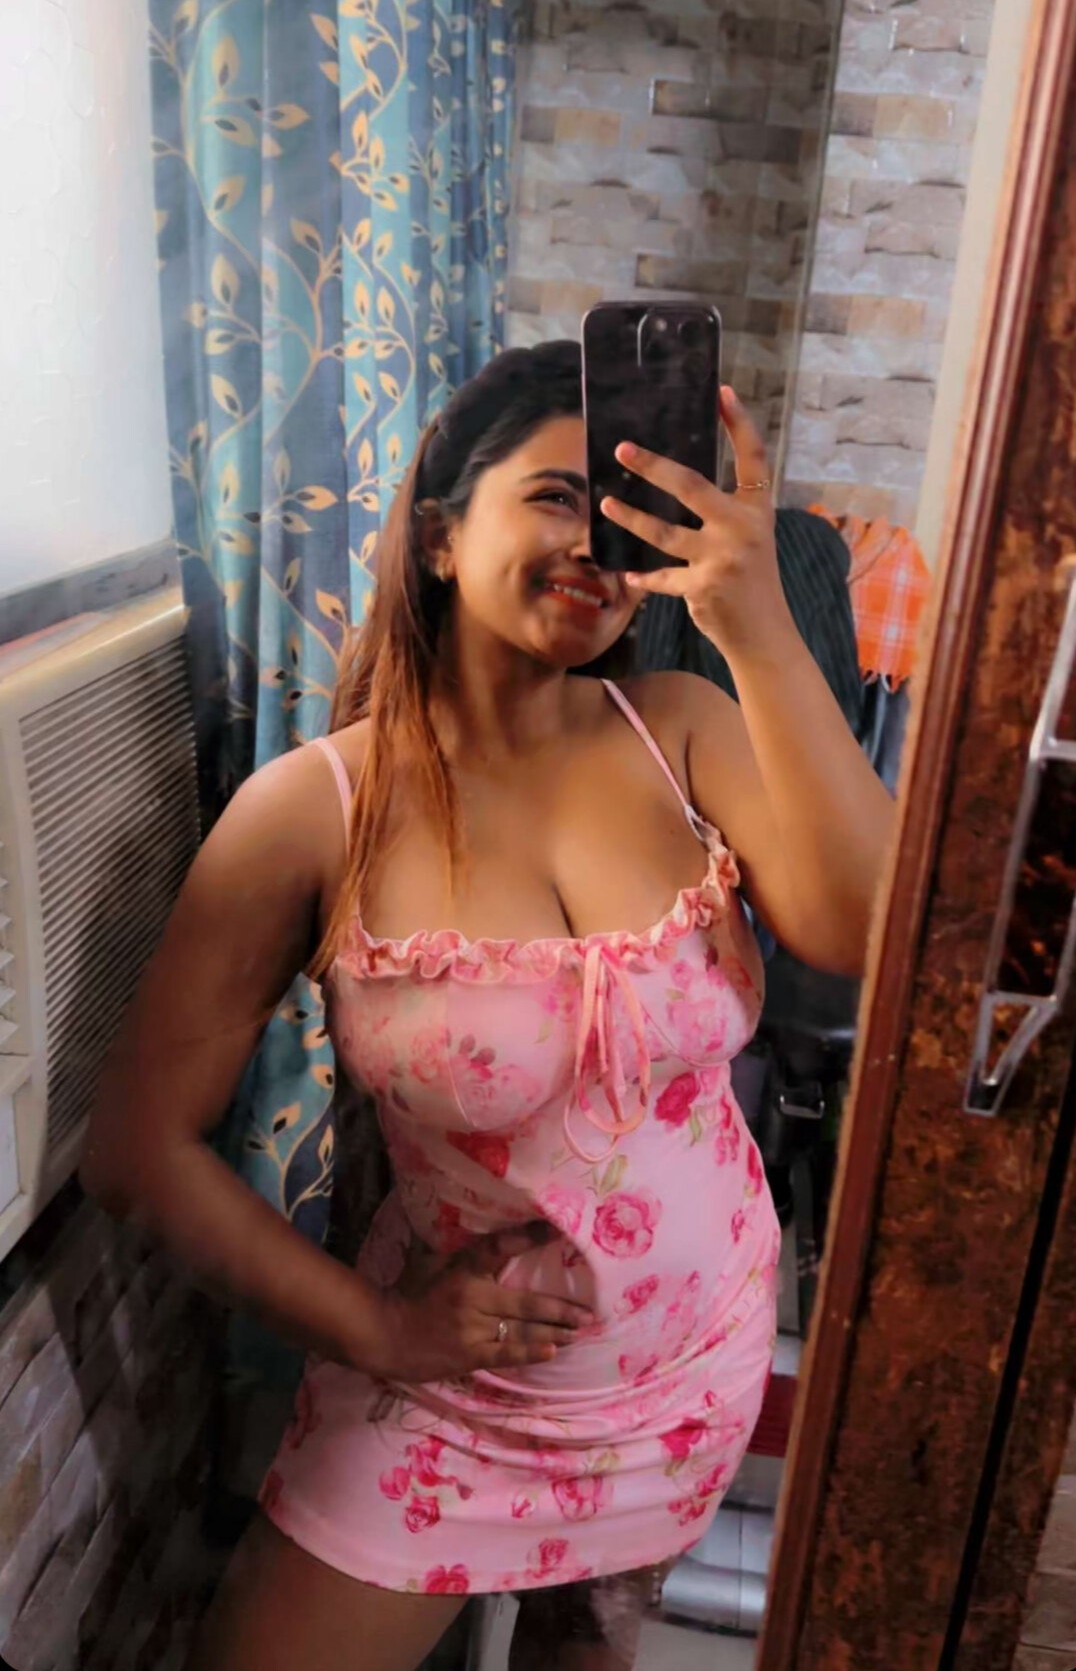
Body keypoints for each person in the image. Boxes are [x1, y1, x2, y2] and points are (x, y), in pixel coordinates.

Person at [83, 341, 893, 1671]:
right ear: (441, 537)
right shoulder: (313, 812)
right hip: (449, 1403)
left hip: (695, 1364)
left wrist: (755, 624)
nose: (596, 547)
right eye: (557, 497)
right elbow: (137, 1148)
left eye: (626, 517)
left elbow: (863, 929)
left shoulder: (681, 725)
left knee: (584, 1653)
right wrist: (379, 1331)